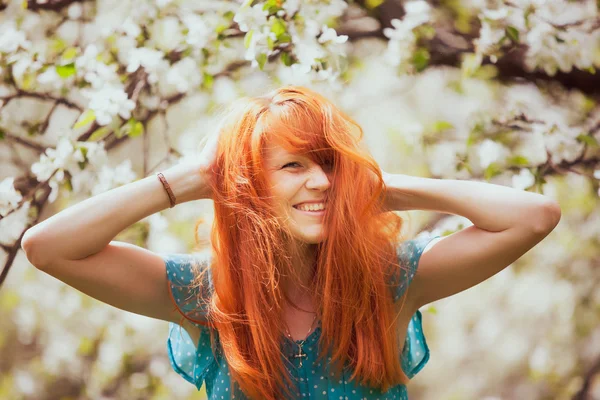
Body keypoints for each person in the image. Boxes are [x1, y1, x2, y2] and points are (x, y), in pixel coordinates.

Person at [21, 86, 561, 400]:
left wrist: (376, 187)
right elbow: (47, 246)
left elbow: (534, 216)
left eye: (330, 165)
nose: (322, 182)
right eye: (293, 166)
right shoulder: (203, 292)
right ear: (247, 185)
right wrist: (187, 179)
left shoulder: (391, 279)